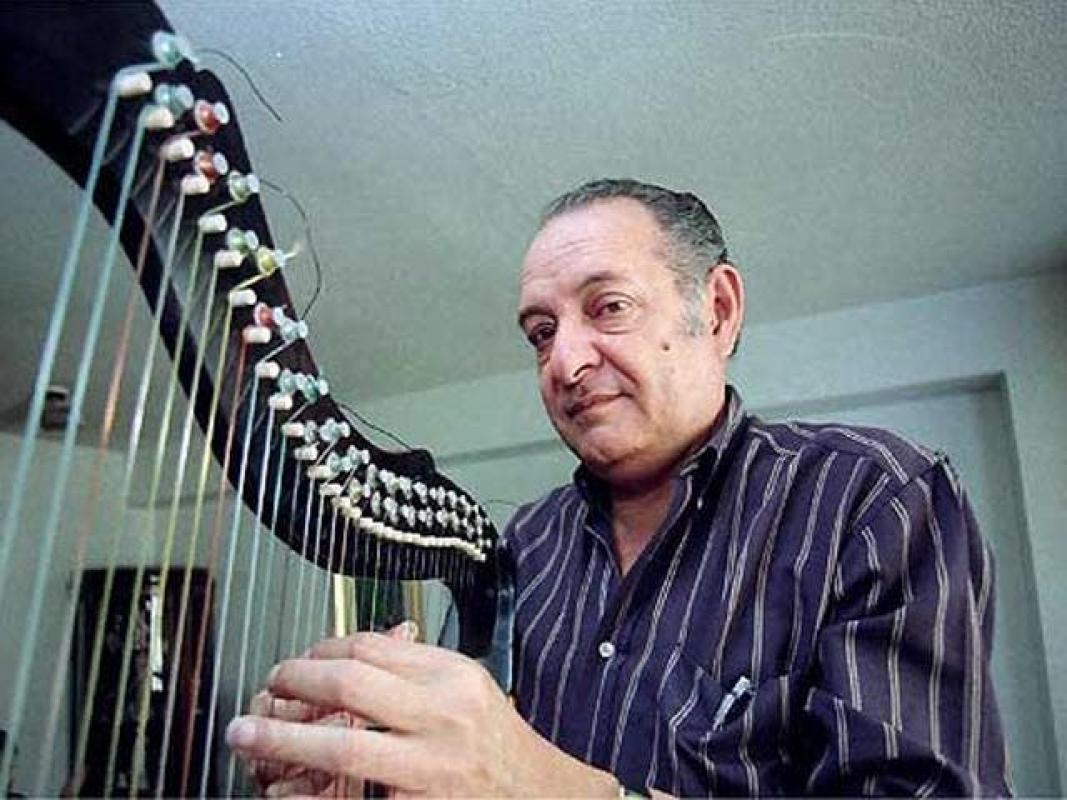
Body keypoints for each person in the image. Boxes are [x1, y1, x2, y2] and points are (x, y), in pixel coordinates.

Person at [227, 179, 1012, 796]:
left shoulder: (871, 498)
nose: (564, 362)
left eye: (608, 308)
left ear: (717, 310)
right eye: (541, 333)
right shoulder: (515, 550)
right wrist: (372, 777)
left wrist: (552, 788)